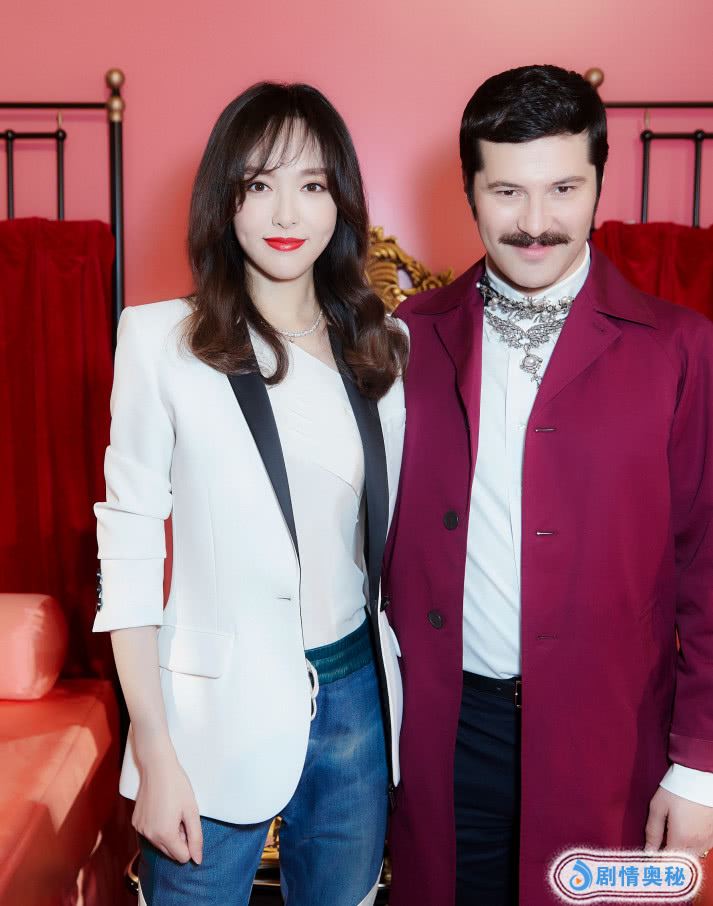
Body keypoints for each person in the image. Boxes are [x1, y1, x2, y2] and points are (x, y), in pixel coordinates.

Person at [383, 64, 713, 906]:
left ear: (599, 183)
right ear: (469, 191)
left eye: (563, 188)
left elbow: (709, 573)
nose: (535, 223)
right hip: (444, 740)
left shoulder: (680, 349)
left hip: (614, 745)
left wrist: (699, 769)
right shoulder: (405, 339)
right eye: (507, 191)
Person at [93, 81, 408, 906]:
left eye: (312, 184)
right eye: (259, 183)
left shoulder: (383, 348)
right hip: (209, 715)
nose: (287, 212)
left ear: (341, 201)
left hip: (355, 698)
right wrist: (153, 749)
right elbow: (128, 554)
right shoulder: (159, 341)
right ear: (223, 198)